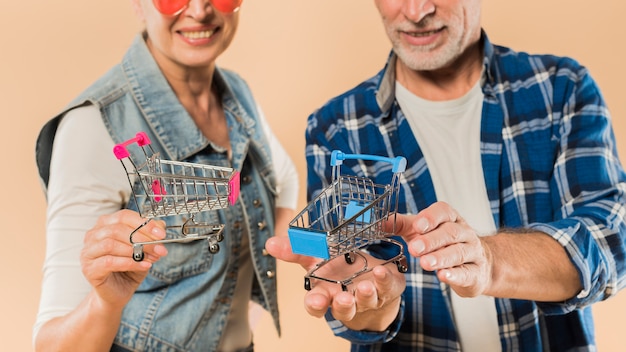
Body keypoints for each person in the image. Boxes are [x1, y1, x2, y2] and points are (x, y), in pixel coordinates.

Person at [266, 0, 626, 350]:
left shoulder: (560, 89)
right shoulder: (335, 128)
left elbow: (610, 237)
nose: (416, 11)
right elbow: (361, 307)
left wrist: (489, 261)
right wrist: (373, 303)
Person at [33, 0, 298, 351]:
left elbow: (284, 178)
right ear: (138, 5)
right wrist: (106, 302)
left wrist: (312, 252)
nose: (200, 10)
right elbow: (52, 345)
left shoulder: (237, 94)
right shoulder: (92, 128)